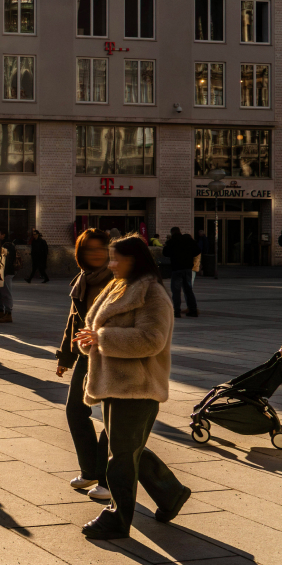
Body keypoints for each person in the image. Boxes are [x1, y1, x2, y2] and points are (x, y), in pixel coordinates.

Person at [76, 235, 191, 540]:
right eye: (110, 257)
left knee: (121, 456)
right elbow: (99, 329)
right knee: (126, 449)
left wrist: (101, 338)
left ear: (134, 260)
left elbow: (152, 340)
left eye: (116, 259)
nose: (110, 264)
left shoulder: (152, 294)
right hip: (114, 382)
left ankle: (117, 517)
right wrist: (92, 339)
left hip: (138, 386)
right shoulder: (119, 286)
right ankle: (171, 493)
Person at [58, 229, 114, 502]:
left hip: (114, 356)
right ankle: (91, 470)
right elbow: (74, 321)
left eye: (101, 248)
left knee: (113, 417)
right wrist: (65, 357)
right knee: (75, 410)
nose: (96, 253)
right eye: (89, 248)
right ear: (80, 253)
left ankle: (107, 478)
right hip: (86, 355)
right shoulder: (83, 280)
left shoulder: (117, 279)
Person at [161, 227, 200, 319]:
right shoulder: (187, 240)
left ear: (172, 233)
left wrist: (168, 245)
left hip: (177, 269)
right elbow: (197, 250)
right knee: (188, 290)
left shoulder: (172, 241)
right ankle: (193, 310)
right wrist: (189, 255)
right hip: (187, 269)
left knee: (176, 291)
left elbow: (165, 253)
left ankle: (177, 311)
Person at [0, 229, 17, 323]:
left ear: (3, 235)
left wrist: (4, 272)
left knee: (6, 293)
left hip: (6, 273)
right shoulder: (0, 244)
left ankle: (8, 313)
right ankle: (0, 310)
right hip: (0, 272)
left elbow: (8, 261)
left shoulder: (8, 245)